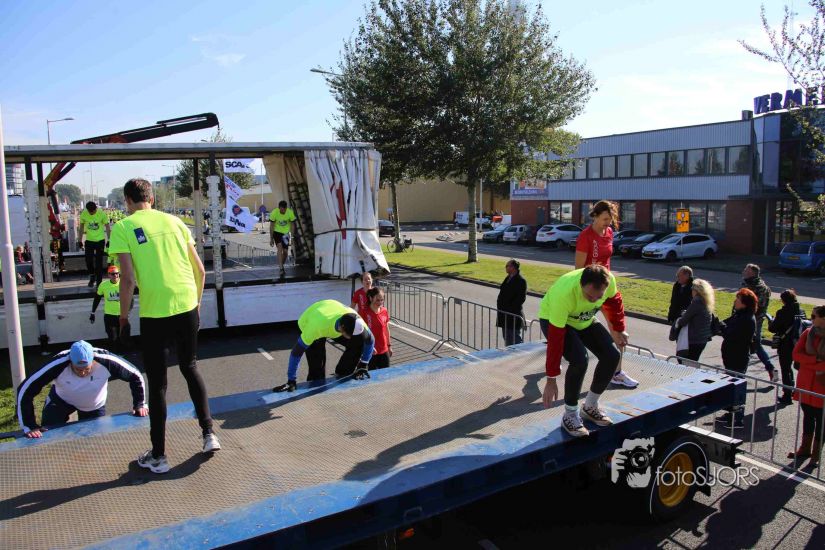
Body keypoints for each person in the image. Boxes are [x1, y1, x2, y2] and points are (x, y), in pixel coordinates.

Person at [110, 178, 220, 475]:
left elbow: (127, 280)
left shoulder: (123, 227)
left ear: (127, 201)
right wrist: (196, 306)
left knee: (158, 384)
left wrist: (123, 319)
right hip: (187, 305)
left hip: (155, 313)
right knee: (190, 366)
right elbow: (200, 270)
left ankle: (159, 456)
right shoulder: (175, 222)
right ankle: (209, 434)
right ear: (152, 199)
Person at [538, 265, 629, 437]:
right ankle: (570, 414)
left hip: (583, 320)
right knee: (580, 360)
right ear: (581, 284)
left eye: (598, 297)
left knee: (612, 355)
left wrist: (619, 329)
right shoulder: (564, 294)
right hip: (555, 321)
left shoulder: (609, 280)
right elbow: (555, 342)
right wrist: (551, 379)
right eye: (589, 296)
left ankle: (590, 406)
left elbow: (614, 302)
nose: (593, 301)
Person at [16, 340, 147, 438]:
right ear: (70, 361)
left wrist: (139, 404)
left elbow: (135, 375)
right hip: (60, 401)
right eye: (78, 369)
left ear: (93, 360)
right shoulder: (58, 363)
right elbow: (25, 388)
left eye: (87, 369)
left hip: (92, 406)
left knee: (92, 441)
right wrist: (29, 425)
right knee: (49, 436)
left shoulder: (107, 361)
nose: (83, 373)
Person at [273, 299, 375, 392]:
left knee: (359, 343)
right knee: (317, 366)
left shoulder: (356, 320)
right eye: (351, 335)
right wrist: (291, 380)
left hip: (331, 309)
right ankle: (315, 385)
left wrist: (364, 363)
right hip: (312, 319)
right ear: (342, 329)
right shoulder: (315, 329)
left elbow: (370, 340)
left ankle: (343, 373)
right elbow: (296, 353)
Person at [788, 305, 825, 466]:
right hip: (805, 384)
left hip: (821, 387)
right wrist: (815, 360)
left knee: (822, 422)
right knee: (808, 418)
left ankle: (816, 455)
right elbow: (796, 355)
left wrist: (808, 362)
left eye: (814, 316)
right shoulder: (808, 333)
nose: (811, 318)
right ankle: (804, 448)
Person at [717, 288, 759, 428]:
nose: (735, 301)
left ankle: (738, 419)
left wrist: (721, 326)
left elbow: (730, 334)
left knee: (737, 387)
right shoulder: (739, 315)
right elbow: (725, 323)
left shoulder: (747, 319)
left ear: (745, 303)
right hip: (731, 356)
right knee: (730, 386)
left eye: (738, 299)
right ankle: (730, 413)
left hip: (738, 358)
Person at [739, 263, 777, 379]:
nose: (743, 271)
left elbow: (756, 306)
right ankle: (770, 368)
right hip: (748, 319)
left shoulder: (758, 287)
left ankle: (740, 374)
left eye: (746, 270)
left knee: (749, 346)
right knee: (753, 346)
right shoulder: (748, 283)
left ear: (752, 273)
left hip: (753, 321)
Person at [769, 289, 805, 405]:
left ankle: (787, 395)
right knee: (792, 369)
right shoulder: (801, 311)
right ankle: (793, 390)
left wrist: (771, 321)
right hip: (798, 344)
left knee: (786, 370)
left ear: (783, 300)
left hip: (786, 344)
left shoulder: (782, 312)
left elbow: (773, 328)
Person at [673, 278, 714, 362]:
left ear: (696, 291)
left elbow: (683, 321)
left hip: (693, 340)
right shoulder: (706, 302)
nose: (691, 291)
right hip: (702, 339)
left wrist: (678, 320)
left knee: (685, 362)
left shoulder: (697, 301)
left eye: (692, 289)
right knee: (693, 361)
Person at [90, 265, 130, 351]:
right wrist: (93, 312)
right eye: (113, 274)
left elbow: (131, 299)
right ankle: (113, 353)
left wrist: (127, 311)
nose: (115, 275)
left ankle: (122, 353)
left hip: (122, 315)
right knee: (112, 336)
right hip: (109, 315)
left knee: (123, 336)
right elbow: (97, 299)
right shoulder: (103, 285)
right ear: (108, 275)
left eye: (117, 273)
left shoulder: (124, 283)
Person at [575, 200, 619, 270]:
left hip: (605, 276)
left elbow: (606, 260)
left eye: (610, 219)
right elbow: (578, 268)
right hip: (590, 276)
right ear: (595, 216)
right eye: (605, 219)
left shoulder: (609, 231)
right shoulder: (585, 236)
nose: (608, 222)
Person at [78, 201, 110, 287]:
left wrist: (109, 240)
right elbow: (81, 228)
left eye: (93, 211)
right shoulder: (84, 214)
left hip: (100, 241)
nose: (91, 213)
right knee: (88, 260)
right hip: (89, 241)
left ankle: (99, 282)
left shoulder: (101, 214)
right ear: (87, 210)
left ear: (96, 209)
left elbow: (107, 226)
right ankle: (92, 276)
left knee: (99, 262)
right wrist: (79, 240)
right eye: (90, 212)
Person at [496, 259, 527, 346]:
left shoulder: (521, 281)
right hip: (504, 314)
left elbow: (521, 299)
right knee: (507, 338)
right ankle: (509, 353)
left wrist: (508, 309)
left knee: (515, 339)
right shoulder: (508, 278)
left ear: (513, 267)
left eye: (507, 266)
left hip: (512, 315)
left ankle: (520, 353)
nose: (505, 267)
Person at [365, 287, 392, 370]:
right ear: (371, 298)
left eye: (382, 300)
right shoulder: (364, 312)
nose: (380, 302)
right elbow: (361, 332)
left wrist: (389, 345)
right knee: (372, 375)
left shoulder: (384, 311)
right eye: (377, 300)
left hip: (384, 349)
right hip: (371, 350)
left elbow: (386, 329)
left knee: (386, 374)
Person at [269, 200, 297, 278]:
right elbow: (271, 226)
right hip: (277, 232)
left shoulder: (290, 212)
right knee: (279, 248)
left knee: (285, 252)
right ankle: (281, 268)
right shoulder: (274, 212)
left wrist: (292, 237)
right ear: (279, 208)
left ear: (286, 208)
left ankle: (281, 265)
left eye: (284, 210)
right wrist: (271, 238)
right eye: (281, 210)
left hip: (285, 234)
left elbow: (292, 225)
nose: (283, 211)